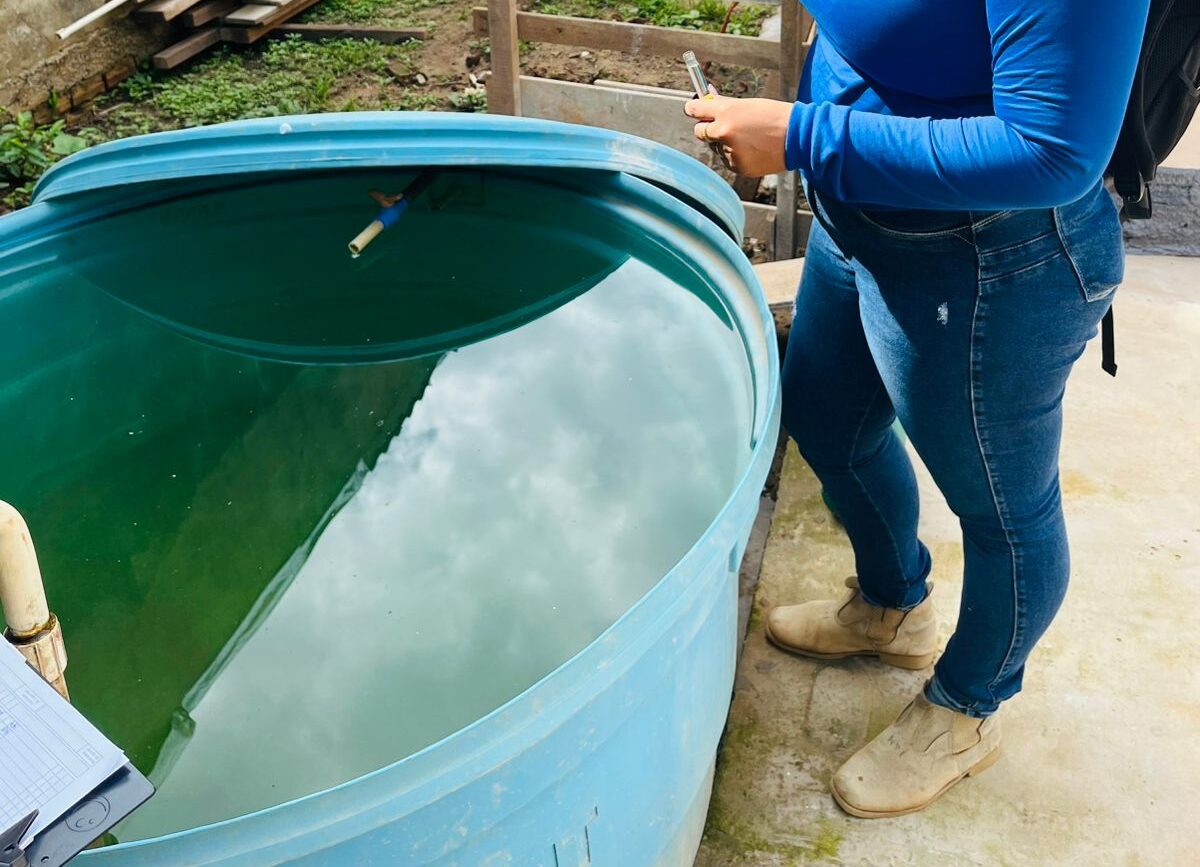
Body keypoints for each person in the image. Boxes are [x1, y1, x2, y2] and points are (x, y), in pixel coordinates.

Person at [684, 0, 1151, 819]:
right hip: (856, 209)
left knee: (1002, 508)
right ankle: (892, 605)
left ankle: (967, 706)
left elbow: (1052, 151)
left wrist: (802, 136)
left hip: (991, 252)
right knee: (826, 419)